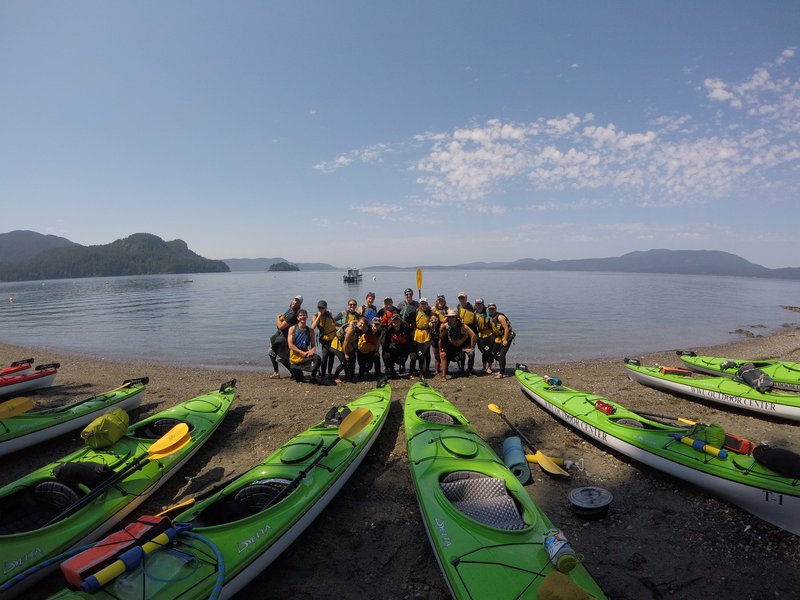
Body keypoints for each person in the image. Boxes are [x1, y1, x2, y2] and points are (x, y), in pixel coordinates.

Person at [268, 295, 303, 379]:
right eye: (295, 300)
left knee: (282, 358)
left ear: (299, 304)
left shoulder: (294, 314)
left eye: (297, 301)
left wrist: (277, 317)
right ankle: (277, 372)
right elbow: (281, 323)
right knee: (272, 352)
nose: (295, 302)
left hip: (284, 338)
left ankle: (294, 373)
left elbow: (280, 326)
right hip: (280, 336)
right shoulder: (290, 310)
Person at [438, 309, 476, 381]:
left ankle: (469, 371)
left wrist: (471, 347)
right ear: (447, 318)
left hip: (461, 347)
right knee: (443, 355)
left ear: (456, 317)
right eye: (449, 317)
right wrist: (440, 351)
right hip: (450, 347)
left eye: (453, 317)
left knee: (471, 353)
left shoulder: (463, 326)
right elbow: (440, 339)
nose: (451, 318)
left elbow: (473, 335)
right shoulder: (444, 326)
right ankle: (443, 376)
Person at [287, 309, 321, 383]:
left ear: (307, 317)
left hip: (305, 355)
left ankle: (313, 377)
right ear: (298, 318)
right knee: (299, 380)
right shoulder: (292, 329)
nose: (302, 317)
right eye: (300, 315)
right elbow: (290, 345)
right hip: (295, 357)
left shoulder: (311, 331)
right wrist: (301, 352)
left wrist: (312, 351)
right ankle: (297, 369)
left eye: (304, 315)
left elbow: (313, 346)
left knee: (317, 358)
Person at [330, 318, 363, 383]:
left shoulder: (357, 327)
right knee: (344, 362)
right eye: (361, 323)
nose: (362, 325)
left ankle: (350, 376)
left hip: (347, 346)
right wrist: (345, 354)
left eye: (363, 324)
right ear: (357, 323)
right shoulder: (351, 329)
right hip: (337, 346)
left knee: (352, 360)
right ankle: (335, 377)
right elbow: (345, 342)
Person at [311, 300, 337, 382]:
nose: (321, 309)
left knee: (332, 357)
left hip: (333, 337)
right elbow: (312, 327)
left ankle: (329, 373)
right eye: (319, 307)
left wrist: (343, 325)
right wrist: (319, 316)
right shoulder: (315, 316)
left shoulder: (329, 314)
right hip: (325, 339)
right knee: (325, 357)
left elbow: (333, 323)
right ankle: (322, 375)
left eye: (322, 307)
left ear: (326, 308)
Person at [382, 313, 414, 378]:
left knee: (417, 353)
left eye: (397, 322)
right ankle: (392, 371)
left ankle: (411, 372)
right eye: (394, 322)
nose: (396, 324)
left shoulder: (406, 328)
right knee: (384, 354)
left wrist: (412, 351)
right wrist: (386, 351)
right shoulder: (389, 329)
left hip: (405, 346)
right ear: (392, 322)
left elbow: (411, 341)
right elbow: (385, 342)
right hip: (395, 346)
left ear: (400, 321)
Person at [488, 302, 515, 379]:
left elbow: (506, 328)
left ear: (495, 309)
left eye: (493, 308)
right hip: (498, 338)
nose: (491, 310)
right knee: (494, 353)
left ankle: (501, 373)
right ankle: (501, 369)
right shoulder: (491, 317)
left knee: (502, 354)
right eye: (490, 309)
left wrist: (505, 340)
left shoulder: (500, 317)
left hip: (507, 337)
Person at [456, 292, 477, 375]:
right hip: (461, 331)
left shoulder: (472, 308)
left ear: (466, 298)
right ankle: (462, 369)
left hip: (471, 331)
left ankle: (470, 368)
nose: (462, 299)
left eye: (463, 298)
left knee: (471, 351)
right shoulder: (458, 307)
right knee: (462, 352)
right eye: (460, 298)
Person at [473, 298, 495, 375]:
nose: (478, 305)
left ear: (483, 304)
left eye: (480, 304)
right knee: (483, 350)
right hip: (480, 335)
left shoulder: (487, 312)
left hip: (489, 334)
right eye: (477, 304)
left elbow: (493, 320)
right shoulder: (474, 312)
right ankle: (484, 367)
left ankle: (489, 367)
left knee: (489, 351)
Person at [412, 298, 433, 376]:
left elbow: (433, 317)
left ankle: (427, 369)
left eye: (424, 303)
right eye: (421, 303)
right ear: (419, 304)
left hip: (426, 333)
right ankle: (420, 369)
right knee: (419, 352)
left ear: (427, 304)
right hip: (418, 333)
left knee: (427, 352)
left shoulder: (429, 311)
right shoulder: (417, 311)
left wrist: (431, 322)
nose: (423, 305)